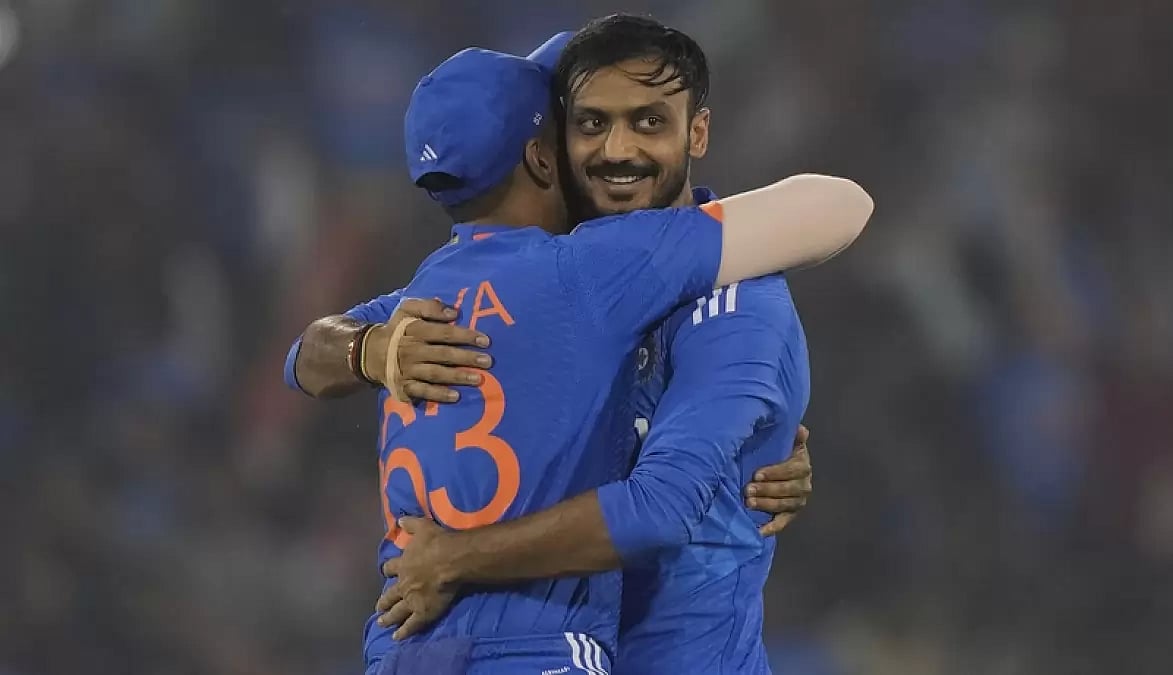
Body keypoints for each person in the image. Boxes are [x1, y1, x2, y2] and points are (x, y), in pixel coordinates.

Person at [286, 33, 871, 675]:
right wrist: (369, 348)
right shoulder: (566, 274)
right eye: (587, 124)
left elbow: (659, 505)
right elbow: (312, 350)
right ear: (547, 155)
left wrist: (453, 556)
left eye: (647, 122)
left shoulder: (727, 300)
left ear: (696, 133)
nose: (616, 150)